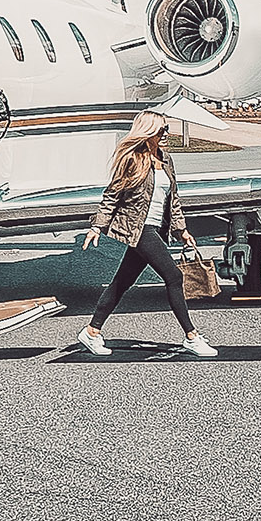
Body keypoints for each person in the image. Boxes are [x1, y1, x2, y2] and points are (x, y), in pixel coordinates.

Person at [74, 112, 216, 359]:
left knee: (121, 283)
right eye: (162, 130)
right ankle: (191, 336)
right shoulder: (132, 159)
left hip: (157, 228)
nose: (166, 134)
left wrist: (181, 230)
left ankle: (91, 331)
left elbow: (174, 199)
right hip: (139, 229)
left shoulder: (165, 159)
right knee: (173, 276)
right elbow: (112, 195)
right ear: (148, 131)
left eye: (167, 129)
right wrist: (97, 226)